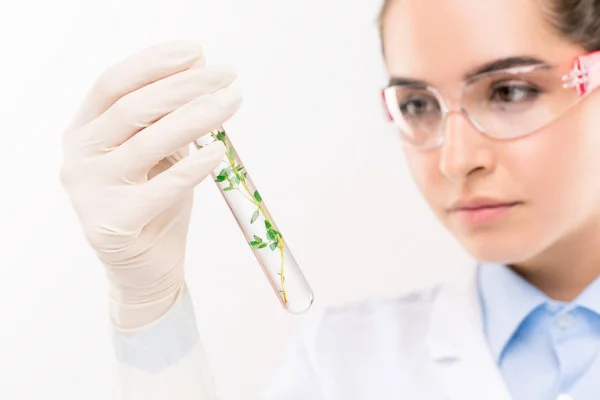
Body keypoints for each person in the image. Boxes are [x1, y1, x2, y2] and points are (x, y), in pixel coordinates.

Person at [59, 0, 600, 398]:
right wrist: (152, 312)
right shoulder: (342, 363)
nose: (456, 159)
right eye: (416, 104)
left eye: (509, 91)